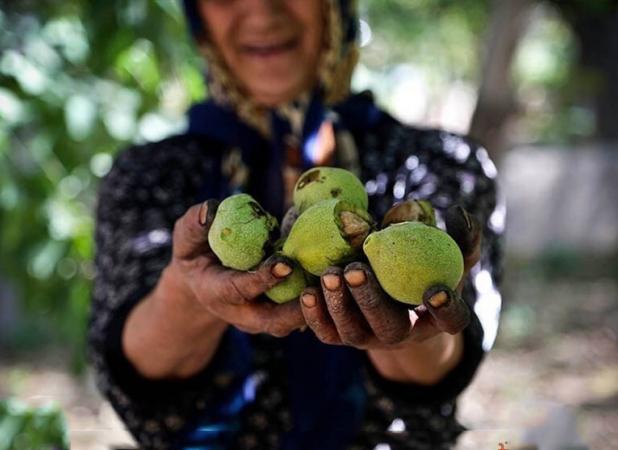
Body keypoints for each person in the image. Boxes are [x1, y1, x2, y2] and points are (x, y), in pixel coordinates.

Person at [88, 1, 504, 449]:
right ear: (198, 16)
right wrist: (187, 295)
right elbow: (132, 368)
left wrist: (411, 335)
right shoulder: (149, 176)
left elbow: (445, 358)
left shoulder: (443, 164)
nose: (262, 12)